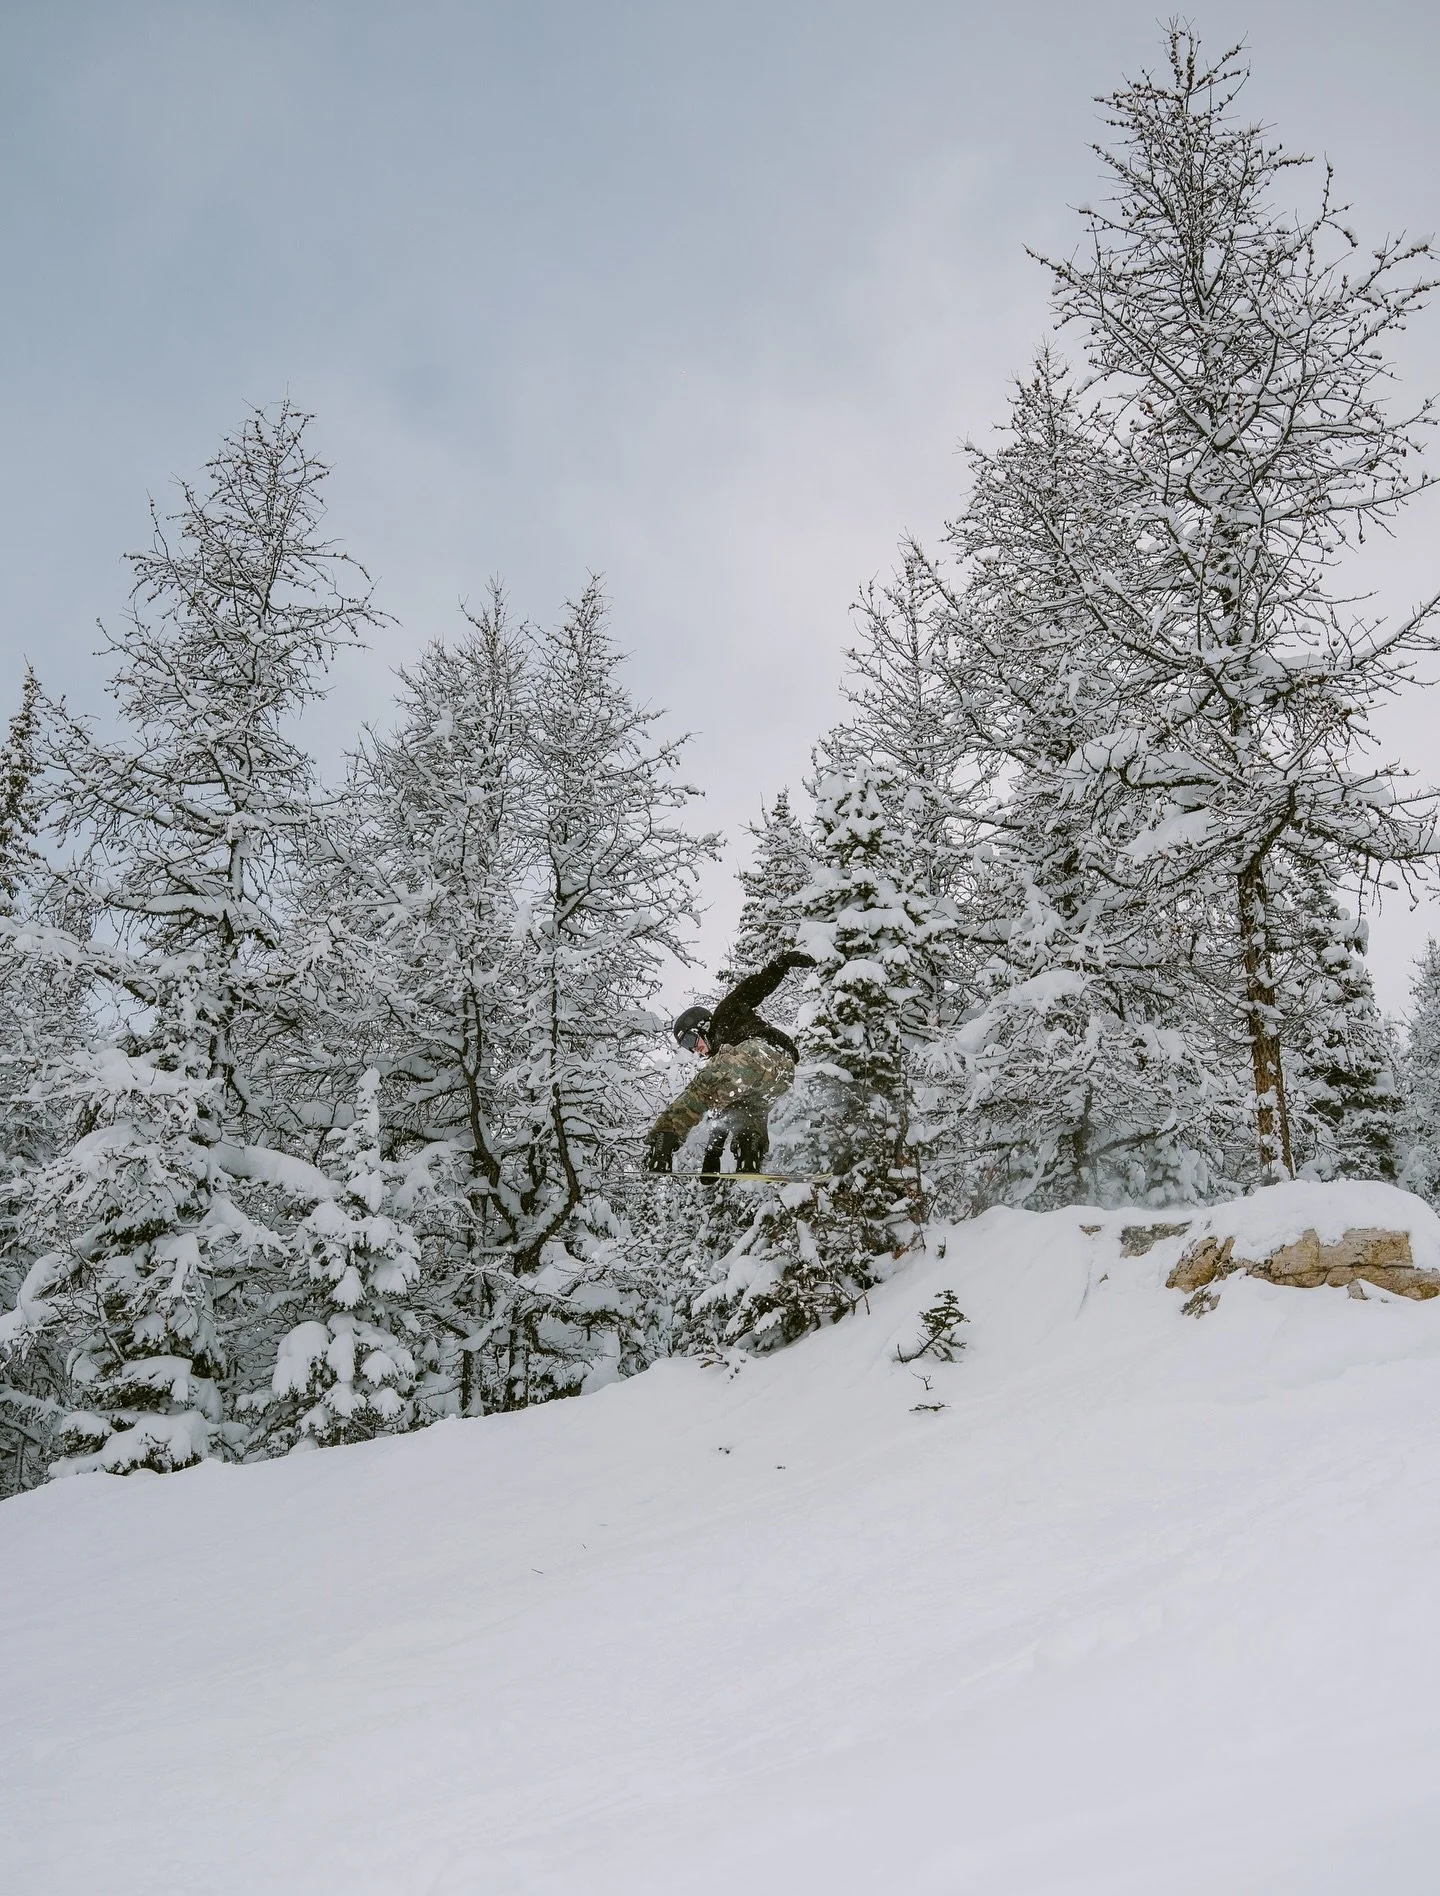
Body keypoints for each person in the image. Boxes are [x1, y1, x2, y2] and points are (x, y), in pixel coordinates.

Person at [644, 950, 816, 1175]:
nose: (694, 1049)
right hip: (783, 1073)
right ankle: (749, 1151)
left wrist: (780, 964)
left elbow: (753, 989)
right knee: (746, 1106)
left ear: (701, 1025)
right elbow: (722, 1106)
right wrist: (713, 1154)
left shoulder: (723, 1017)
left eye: (690, 1039)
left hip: (759, 1051)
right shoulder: (727, 1063)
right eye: (687, 1047)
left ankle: (663, 1140)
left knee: (702, 1087)